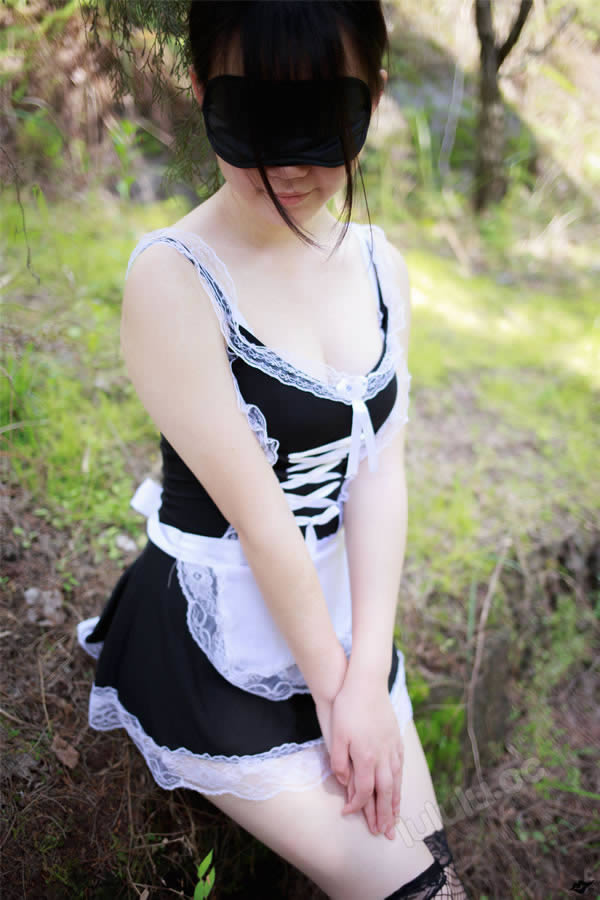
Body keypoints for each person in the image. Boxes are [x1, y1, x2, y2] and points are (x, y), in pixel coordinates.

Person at [77, 2, 469, 897]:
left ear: (374, 94)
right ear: (201, 90)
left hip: (342, 621)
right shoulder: (174, 276)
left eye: (323, 120)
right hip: (217, 638)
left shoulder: (380, 263)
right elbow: (260, 521)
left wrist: (366, 676)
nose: (289, 165)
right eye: (255, 117)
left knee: (437, 872)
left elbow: (378, 472)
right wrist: (340, 692)